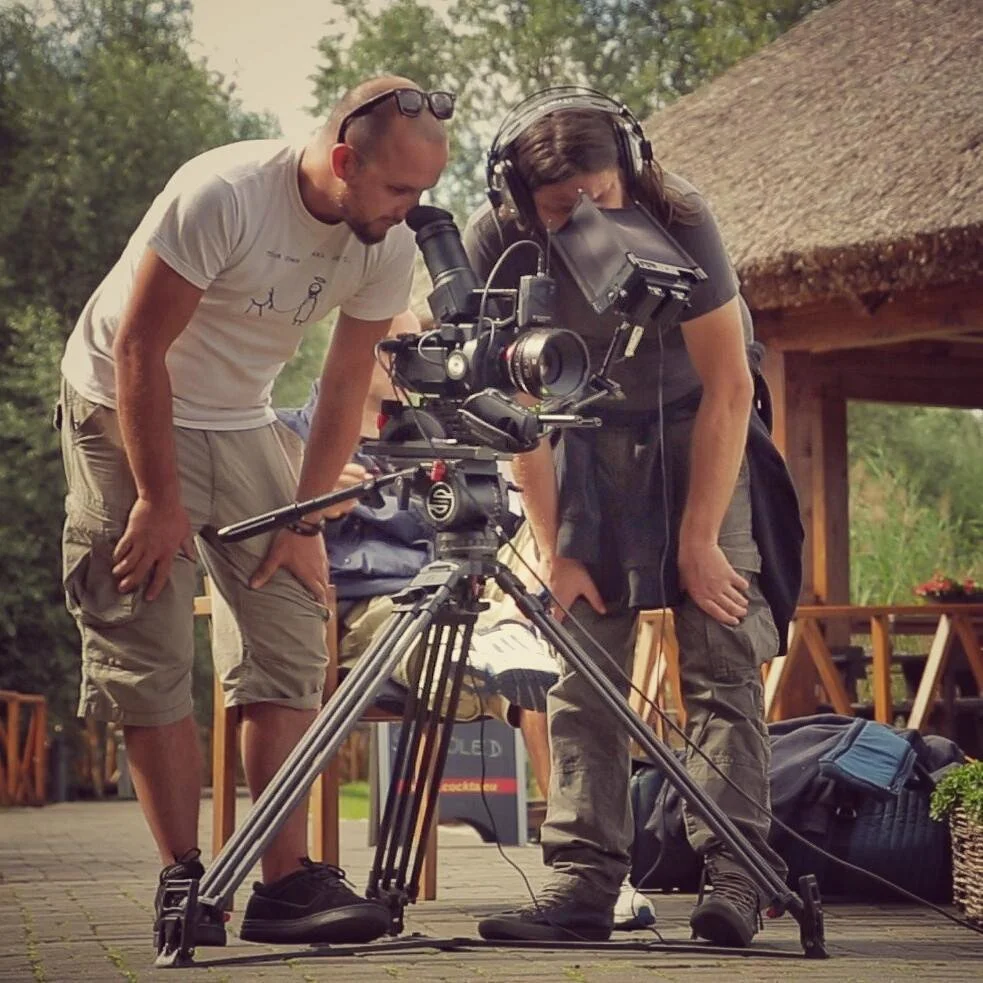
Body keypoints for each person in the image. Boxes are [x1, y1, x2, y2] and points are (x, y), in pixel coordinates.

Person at [57, 75, 452, 947]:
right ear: (343, 160)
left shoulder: (385, 241)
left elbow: (344, 382)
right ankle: (184, 877)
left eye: (424, 190)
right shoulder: (225, 194)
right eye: (399, 188)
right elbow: (139, 348)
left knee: (288, 625)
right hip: (120, 403)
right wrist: (159, 500)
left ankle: (285, 884)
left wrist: (304, 518)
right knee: (147, 631)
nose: (412, 210)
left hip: (240, 418)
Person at [462, 88, 802, 948]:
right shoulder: (495, 240)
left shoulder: (681, 214)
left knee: (721, 647)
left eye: (597, 194)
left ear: (629, 166)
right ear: (516, 198)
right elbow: (516, 409)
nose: (580, 215)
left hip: (700, 426)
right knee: (581, 659)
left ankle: (735, 874)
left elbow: (730, 384)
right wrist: (554, 548)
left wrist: (698, 540)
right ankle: (583, 879)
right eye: (557, 206)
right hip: (579, 438)